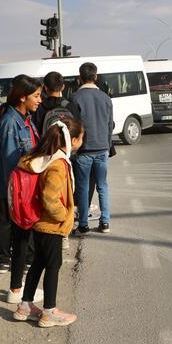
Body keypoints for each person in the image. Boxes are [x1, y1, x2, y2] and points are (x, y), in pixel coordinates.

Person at [13, 117, 82, 327]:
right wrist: (64, 215)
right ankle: (49, 311)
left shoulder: (44, 158)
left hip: (38, 222)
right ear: (73, 140)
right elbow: (49, 198)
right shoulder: (58, 165)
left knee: (39, 262)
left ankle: (25, 306)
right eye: (81, 138)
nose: (82, 142)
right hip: (51, 224)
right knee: (53, 265)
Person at [0, 74, 42, 292]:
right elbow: (12, 165)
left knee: (23, 236)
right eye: (36, 96)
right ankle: (17, 289)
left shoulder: (25, 119)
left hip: (24, 188)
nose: (39, 100)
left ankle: (19, 286)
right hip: (16, 189)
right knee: (19, 236)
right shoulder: (10, 123)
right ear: (22, 97)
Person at [70, 62, 113, 234]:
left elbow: (74, 126)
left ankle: (83, 225)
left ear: (79, 78)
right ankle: (105, 222)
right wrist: (107, 145)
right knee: (103, 185)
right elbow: (109, 125)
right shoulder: (105, 97)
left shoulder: (75, 98)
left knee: (83, 187)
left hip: (84, 149)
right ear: (96, 77)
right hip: (102, 147)